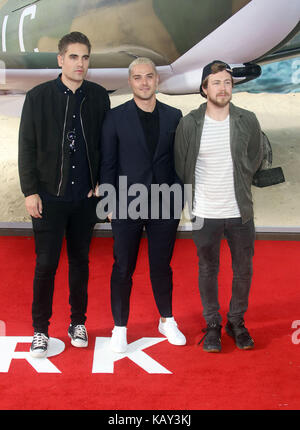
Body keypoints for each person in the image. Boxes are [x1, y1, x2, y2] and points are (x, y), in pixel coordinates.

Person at [18, 32, 110, 358]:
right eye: (73, 57)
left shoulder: (99, 97)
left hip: (85, 199)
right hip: (49, 197)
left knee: (80, 262)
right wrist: (30, 191)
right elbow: (26, 147)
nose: (80, 63)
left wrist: (104, 183)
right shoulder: (38, 97)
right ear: (60, 59)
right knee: (46, 265)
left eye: (85, 57)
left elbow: (105, 146)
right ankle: (40, 330)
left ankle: (78, 322)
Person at [174, 60, 266, 353]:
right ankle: (213, 323)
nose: (223, 88)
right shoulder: (189, 123)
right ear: (204, 89)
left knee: (243, 270)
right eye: (216, 83)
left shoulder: (247, 120)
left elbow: (255, 157)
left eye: (227, 82)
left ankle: (236, 321)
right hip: (205, 213)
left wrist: (241, 182)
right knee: (207, 269)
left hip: (240, 211)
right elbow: (181, 164)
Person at [99, 57, 186, 353]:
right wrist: (109, 202)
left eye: (149, 76)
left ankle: (167, 319)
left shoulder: (175, 116)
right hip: (126, 203)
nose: (144, 82)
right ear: (130, 81)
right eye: (138, 77)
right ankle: (120, 327)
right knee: (123, 267)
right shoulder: (115, 117)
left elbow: (179, 163)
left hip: (165, 205)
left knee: (161, 265)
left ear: (157, 80)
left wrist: (179, 200)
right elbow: (108, 162)